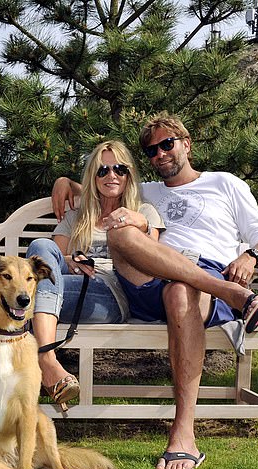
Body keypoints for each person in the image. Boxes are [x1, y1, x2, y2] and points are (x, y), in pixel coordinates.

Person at [52, 113, 258, 469]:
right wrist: (65, 181)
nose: (159, 153)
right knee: (120, 233)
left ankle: (183, 434)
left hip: (200, 278)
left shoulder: (224, 183)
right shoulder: (146, 192)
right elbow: (104, 185)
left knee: (179, 291)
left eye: (166, 144)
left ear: (186, 144)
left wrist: (251, 257)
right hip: (147, 283)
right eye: (151, 150)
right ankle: (234, 295)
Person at [26, 140, 164, 411]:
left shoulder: (143, 213)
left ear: (129, 175)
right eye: (102, 170)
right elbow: (52, 261)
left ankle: (44, 362)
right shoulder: (77, 216)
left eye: (118, 169)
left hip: (113, 292)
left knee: (24, 296)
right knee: (40, 246)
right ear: (93, 177)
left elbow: (151, 259)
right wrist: (72, 261)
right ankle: (49, 360)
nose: (111, 175)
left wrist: (141, 225)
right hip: (66, 285)